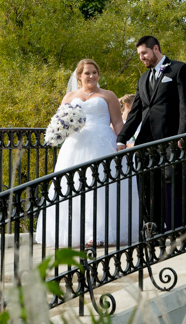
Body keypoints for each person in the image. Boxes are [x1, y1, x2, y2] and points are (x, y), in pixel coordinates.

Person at [40, 59, 134, 248]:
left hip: (102, 144)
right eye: (87, 73)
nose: (91, 76)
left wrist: (122, 142)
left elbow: (117, 122)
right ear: (79, 76)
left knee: (99, 187)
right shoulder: (69, 96)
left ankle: (98, 233)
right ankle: (74, 233)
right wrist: (58, 132)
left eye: (94, 72)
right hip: (75, 146)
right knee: (73, 186)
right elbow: (60, 120)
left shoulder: (107, 95)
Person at [117, 36, 186, 233]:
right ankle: (155, 227)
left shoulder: (178, 69)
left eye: (144, 53)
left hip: (172, 139)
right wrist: (121, 138)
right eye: (139, 55)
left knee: (177, 183)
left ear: (155, 49)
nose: (141, 58)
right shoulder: (143, 79)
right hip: (147, 143)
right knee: (149, 186)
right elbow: (136, 112)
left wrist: (182, 135)